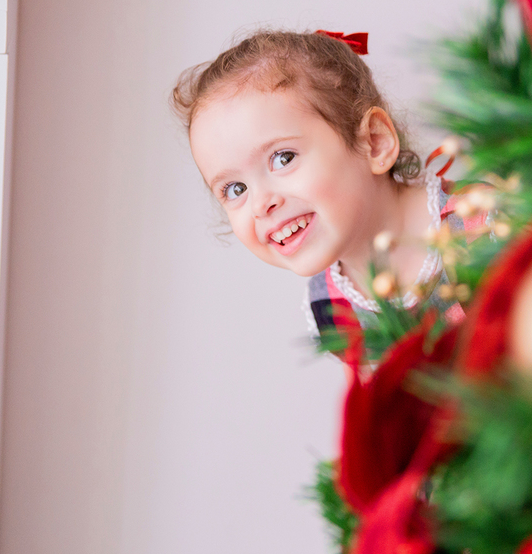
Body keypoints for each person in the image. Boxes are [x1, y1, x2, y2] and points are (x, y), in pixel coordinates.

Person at [172, 29, 476, 347]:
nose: (261, 203)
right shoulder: (332, 310)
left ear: (374, 142)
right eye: (235, 189)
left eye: (283, 158)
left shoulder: (480, 224)